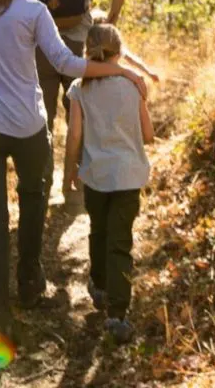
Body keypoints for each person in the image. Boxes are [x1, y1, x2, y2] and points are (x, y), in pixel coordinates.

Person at [0, 0, 146, 335]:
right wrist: (119, 70)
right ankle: (29, 281)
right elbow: (67, 63)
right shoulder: (33, 11)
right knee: (35, 196)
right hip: (28, 128)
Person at [63, 23, 154, 344]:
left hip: (96, 176)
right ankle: (117, 314)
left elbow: (74, 135)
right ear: (119, 51)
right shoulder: (134, 86)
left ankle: (99, 285)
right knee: (120, 241)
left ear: (87, 51)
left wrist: (70, 170)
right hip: (128, 176)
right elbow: (148, 134)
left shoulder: (79, 88)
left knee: (99, 231)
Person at [29, 0, 131, 196]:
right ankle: (78, 184)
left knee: (43, 116)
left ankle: (42, 184)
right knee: (82, 114)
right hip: (78, 46)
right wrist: (111, 21)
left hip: (41, 46)